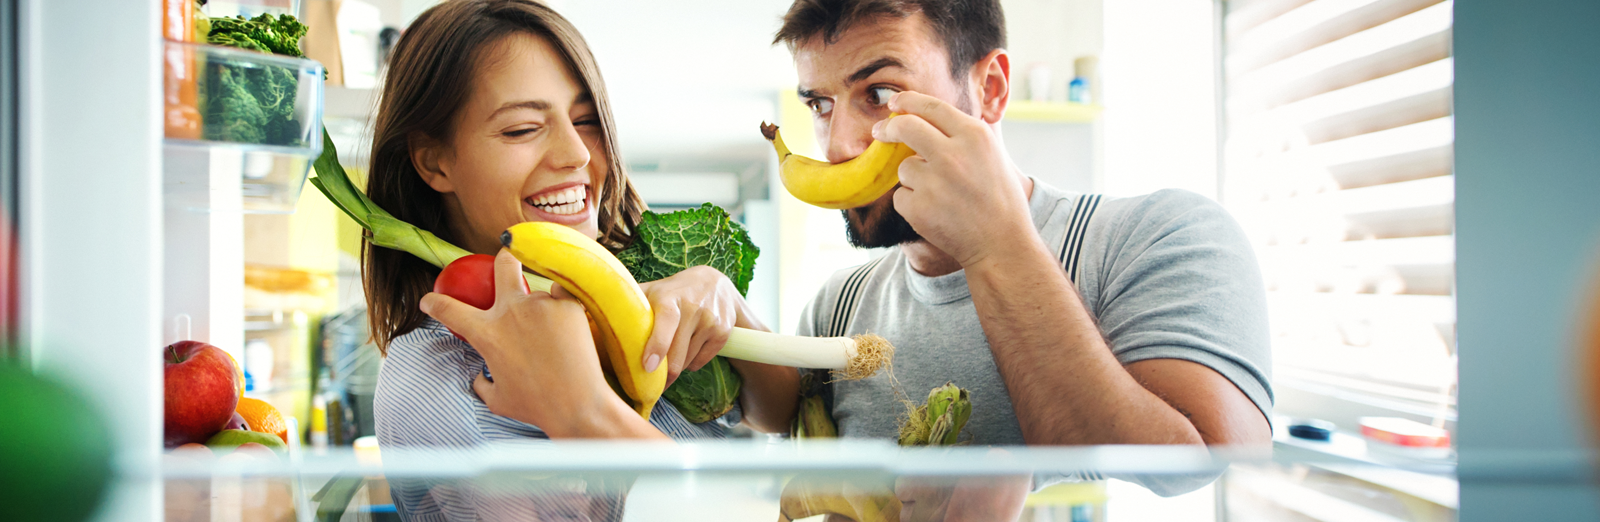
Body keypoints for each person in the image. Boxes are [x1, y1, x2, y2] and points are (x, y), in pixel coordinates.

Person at [773, 0, 1273, 498]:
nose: (838, 146)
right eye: (820, 105)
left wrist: (994, 245)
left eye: (879, 93)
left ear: (989, 89)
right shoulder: (835, 307)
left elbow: (1208, 465)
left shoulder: (1160, 236)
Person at [365, 1, 797, 518]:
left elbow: (784, 411)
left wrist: (728, 305)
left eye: (587, 120)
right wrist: (582, 412)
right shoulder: (435, 379)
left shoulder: (629, 302)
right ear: (435, 161)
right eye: (522, 129)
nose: (577, 155)